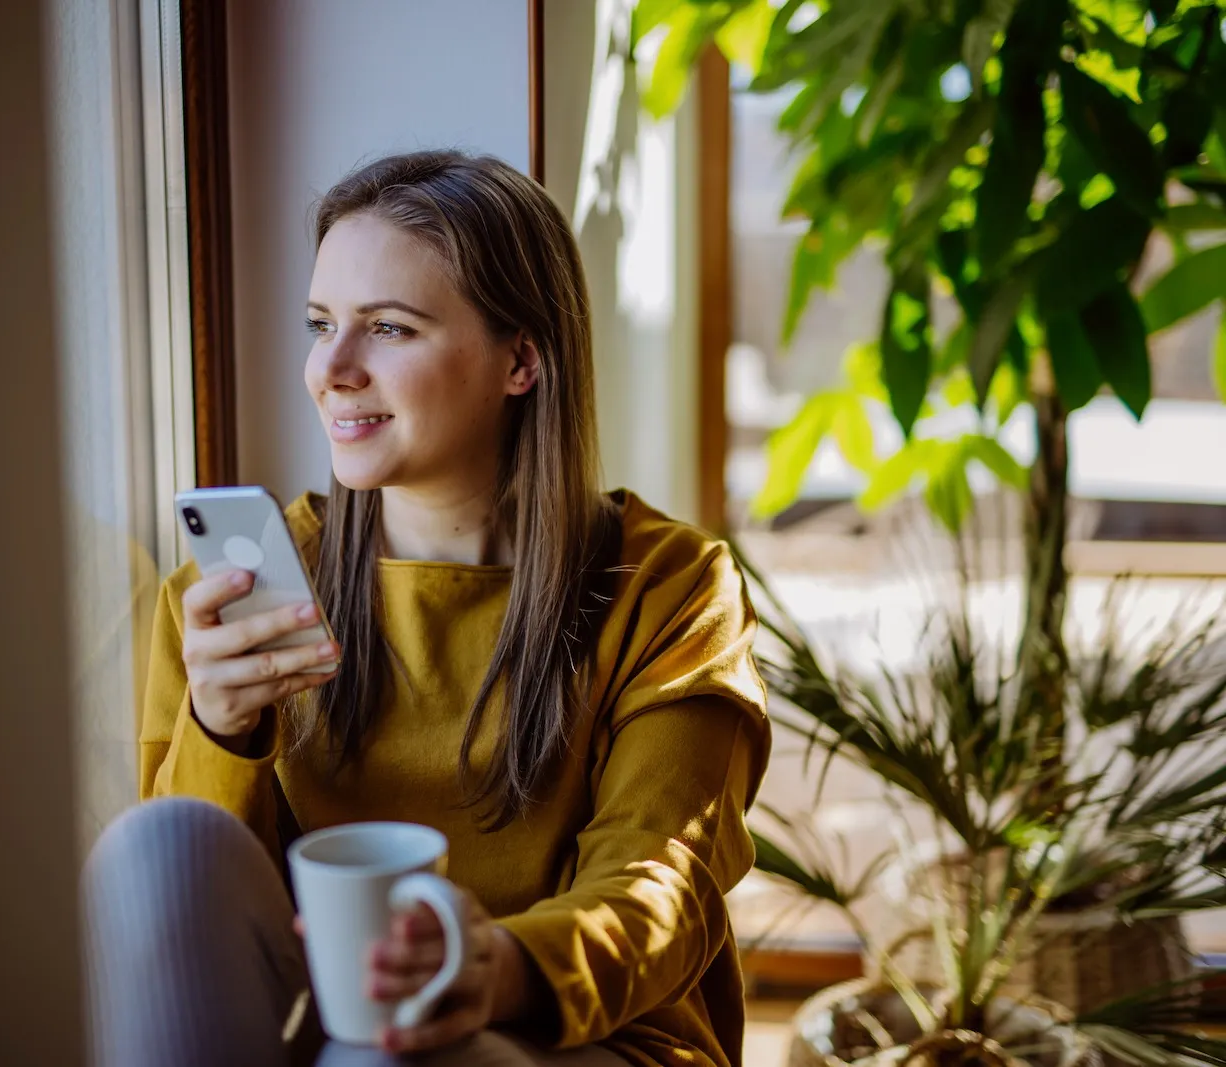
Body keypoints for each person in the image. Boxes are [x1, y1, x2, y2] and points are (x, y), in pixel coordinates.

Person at [84, 150, 771, 1067]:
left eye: (388, 328)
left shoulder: (668, 587)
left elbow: (661, 883)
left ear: (521, 359)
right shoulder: (232, 601)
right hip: (327, 1029)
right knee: (156, 844)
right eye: (321, 324)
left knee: (387, 1054)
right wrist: (221, 729)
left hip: (587, 1036)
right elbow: (188, 933)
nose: (331, 368)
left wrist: (494, 967)